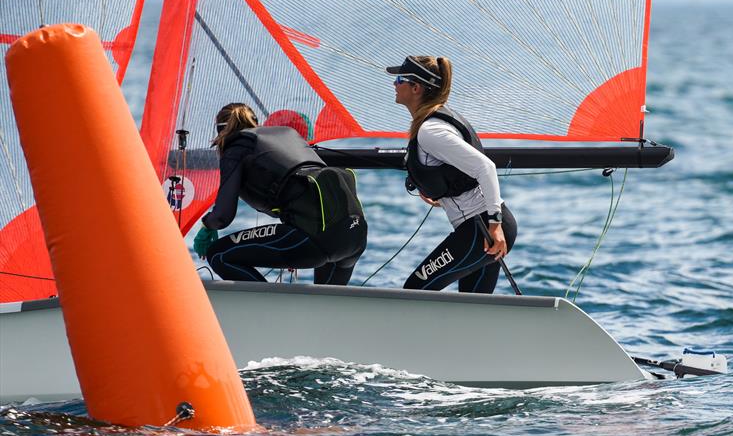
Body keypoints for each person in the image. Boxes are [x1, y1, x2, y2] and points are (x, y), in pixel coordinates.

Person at [193, 103, 367, 285]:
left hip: (314, 238)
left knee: (220, 254)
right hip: (354, 236)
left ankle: (267, 312)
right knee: (325, 310)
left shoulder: (235, 148)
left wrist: (207, 226)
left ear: (222, 132)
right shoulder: (288, 135)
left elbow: (222, 216)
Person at [386, 56, 517, 293]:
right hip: (481, 227)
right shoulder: (433, 122)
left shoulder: (430, 130)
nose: (394, 84)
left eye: (399, 79)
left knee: (415, 289)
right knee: (471, 307)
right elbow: (448, 168)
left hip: (483, 228)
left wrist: (494, 225)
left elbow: (485, 167)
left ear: (416, 88)